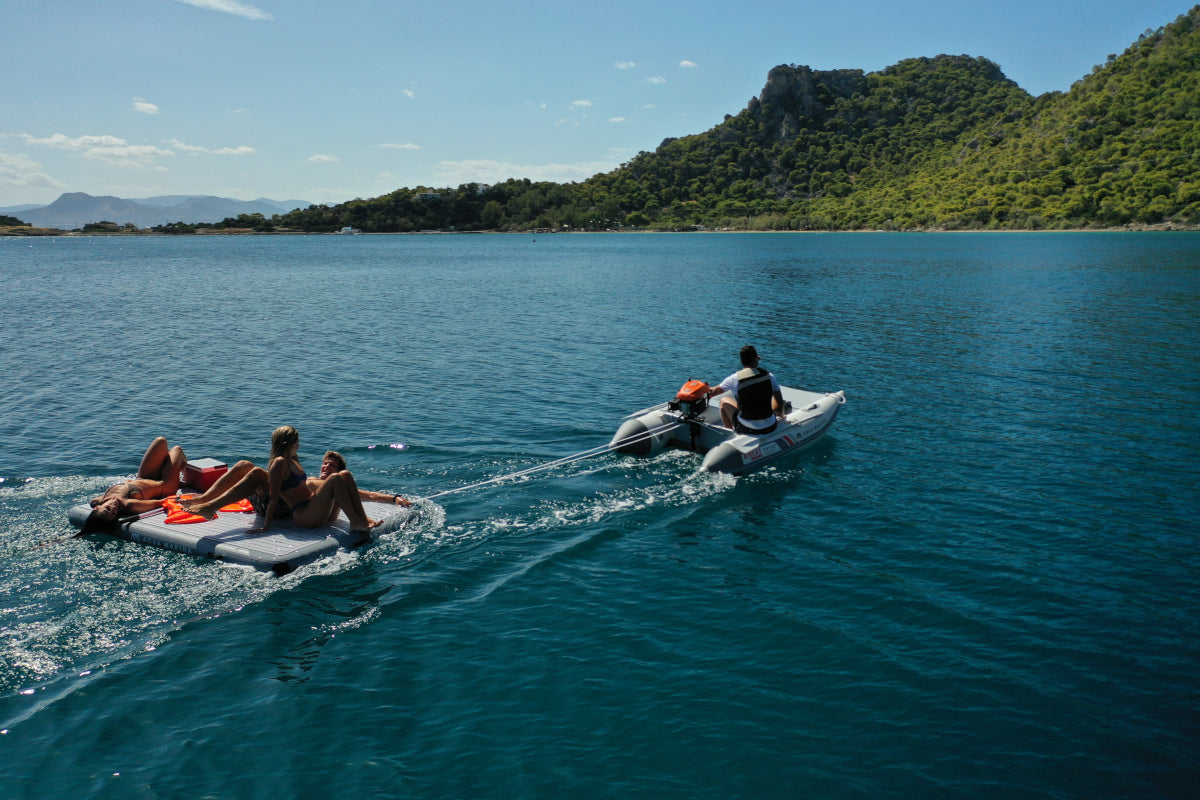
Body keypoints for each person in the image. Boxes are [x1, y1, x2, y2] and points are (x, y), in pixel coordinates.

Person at [181, 426, 380, 535]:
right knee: (249, 468)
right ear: (290, 443)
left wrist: (389, 500)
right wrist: (265, 528)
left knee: (344, 475)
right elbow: (274, 498)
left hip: (310, 507)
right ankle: (208, 503)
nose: (300, 444)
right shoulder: (278, 464)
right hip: (301, 512)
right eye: (297, 441)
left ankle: (360, 521)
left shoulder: (293, 460)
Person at [81, 437, 187, 535]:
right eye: (114, 513)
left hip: (144, 477)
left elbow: (97, 505)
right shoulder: (130, 504)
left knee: (161, 441)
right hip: (165, 485)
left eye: (108, 509)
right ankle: (184, 476)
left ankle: (168, 468)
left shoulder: (96, 501)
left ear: (97, 507)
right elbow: (162, 502)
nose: (114, 508)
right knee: (177, 450)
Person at [708, 345, 787, 434]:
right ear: (755, 360)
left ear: (742, 362)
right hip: (770, 426)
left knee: (723, 401)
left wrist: (701, 388)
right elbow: (779, 402)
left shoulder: (734, 379)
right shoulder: (770, 376)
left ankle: (730, 433)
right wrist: (779, 413)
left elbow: (713, 392)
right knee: (774, 398)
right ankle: (775, 416)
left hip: (746, 428)